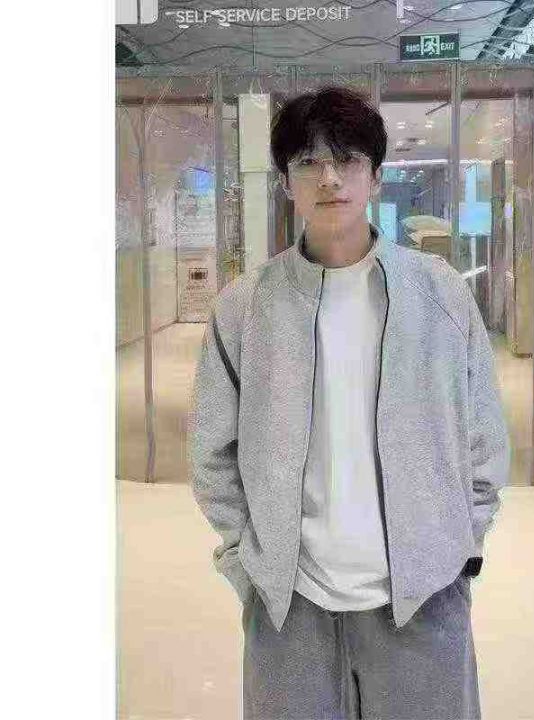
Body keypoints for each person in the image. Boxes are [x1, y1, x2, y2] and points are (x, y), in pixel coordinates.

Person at [190, 86, 510, 719]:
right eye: (308, 162)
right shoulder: (245, 307)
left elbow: (483, 436)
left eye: (347, 160)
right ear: (286, 182)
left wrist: (457, 552)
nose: (329, 178)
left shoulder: (438, 293)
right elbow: (212, 452)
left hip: (421, 597)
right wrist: (247, 564)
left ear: (376, 176)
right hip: (290, 605)